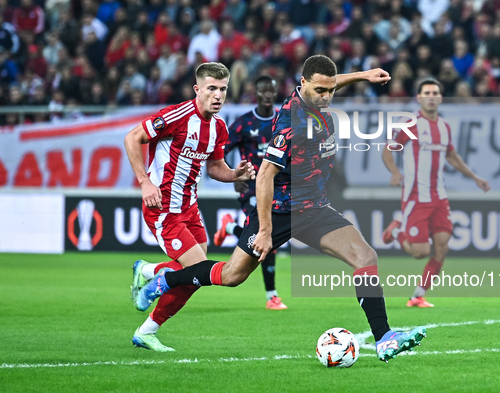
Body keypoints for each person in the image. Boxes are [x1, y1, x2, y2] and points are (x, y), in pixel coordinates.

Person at [133, 55, 427, 363]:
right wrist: (264, 230)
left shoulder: (316, 92)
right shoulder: (291, 123)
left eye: (330, 90)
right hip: (279, 210)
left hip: (313, 208)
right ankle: (166, 280)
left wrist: (364, 75)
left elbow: (328, 80)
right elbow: (264, 176)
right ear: (303, 85)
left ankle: (384, 338)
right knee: (232, 275)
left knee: (365, 257)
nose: (326, 96)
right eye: (320, 91)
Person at [124, 62, 255, 351]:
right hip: (163, 208)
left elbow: (216, 166)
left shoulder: (219, 127)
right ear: (197, 89)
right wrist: (145, 182)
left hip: (190, 208)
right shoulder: (177, 115)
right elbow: (133, 137)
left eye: (223, 89)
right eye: (211, 88)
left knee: (195, 277)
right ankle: (151, 279)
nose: (218, 95)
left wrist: (236, 174)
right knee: (199, 269)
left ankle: (147, 313)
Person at [381, 77, 491, 308]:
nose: (431, 97)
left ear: (440, 98)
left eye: (435, 93)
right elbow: (387, 151)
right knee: (420, 252)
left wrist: (475, 178)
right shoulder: (410, 124)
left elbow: (452, 156)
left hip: (439, 196)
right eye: (426, 93)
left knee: (442, 246)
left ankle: (418, 295)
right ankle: (398, 229)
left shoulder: (444, 126)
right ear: (419, 98)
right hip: (415, 196)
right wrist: (394, 172)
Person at [212, 75, 287, 310]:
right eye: (263, 91)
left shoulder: (283, 121)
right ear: (256, 92)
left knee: (259, 236)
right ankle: (272, 295)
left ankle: (228, 228)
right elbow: (220, 150)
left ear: (275, 93)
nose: (267, 95)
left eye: (271, 91)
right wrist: (234, 175)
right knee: (267, 236)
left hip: (278, 188)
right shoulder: (244, 123)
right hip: (252, 186)